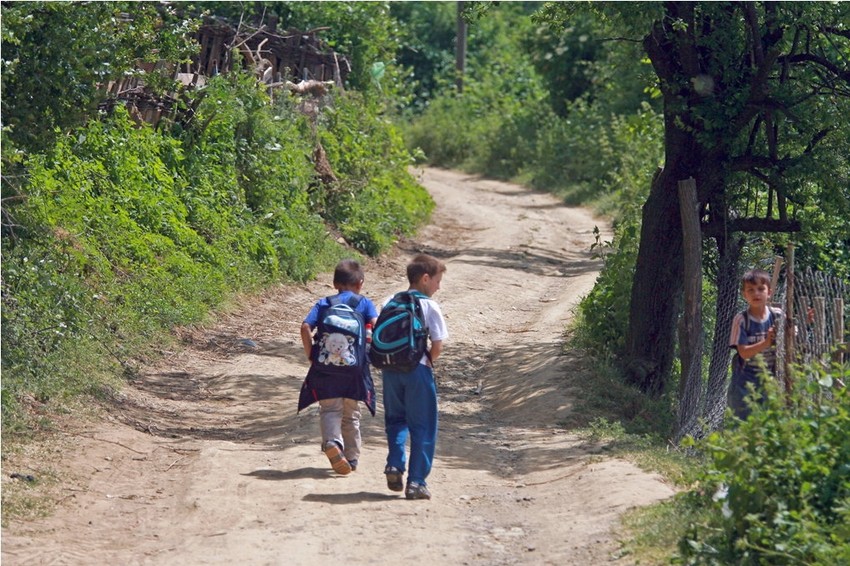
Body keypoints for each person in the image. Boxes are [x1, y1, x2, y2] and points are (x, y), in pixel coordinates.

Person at [298, 259, 378, 475]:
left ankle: (333, 443)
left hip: (326, 368)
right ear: (360, 283)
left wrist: (311, 355)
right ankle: (351, 459)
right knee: (351, 414)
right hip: (354, 370)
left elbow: (306, 326)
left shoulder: (324, 303)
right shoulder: (365, 304)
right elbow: (376, 326)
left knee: (330, 409)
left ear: (334, 283)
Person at [379, 254, 448, 500]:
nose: (439, 287)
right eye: (438, 281)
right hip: (418, 371)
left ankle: (395, 465)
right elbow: (437, 345)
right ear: (425, 278)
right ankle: (416, 482)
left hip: (389, 371)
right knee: (423, 426)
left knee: (396, 420)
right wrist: (426, 360)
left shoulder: (389, 300)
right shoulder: (430, 306)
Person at [728, 268, 784, 419]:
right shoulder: (741, 320)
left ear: (769, 292)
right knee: (744, 423)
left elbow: (792, 335)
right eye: (750, 290)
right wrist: (767, 342)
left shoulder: (777, 315)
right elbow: (743, 352)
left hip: (770, 377)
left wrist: (805, 322)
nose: (756, 294)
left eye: (761, 289)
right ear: (744, 295)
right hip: (745, 380)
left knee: (768, 421)